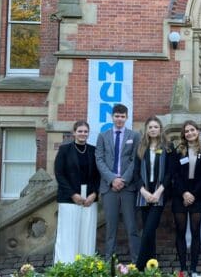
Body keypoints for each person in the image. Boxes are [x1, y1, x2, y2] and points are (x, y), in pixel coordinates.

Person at [95, 104, 141, 262]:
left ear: (127, 117)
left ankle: (136, 262)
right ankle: (110, 262)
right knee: (110, 227)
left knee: (132, 227)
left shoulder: (134, 136)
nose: (119, 119)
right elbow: (99, 159)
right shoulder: (103, 136)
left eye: (122, 116)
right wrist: (112, 179)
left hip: (128, 187)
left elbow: (136, 159)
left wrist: (124, 179)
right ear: (112, 117)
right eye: (117, 116)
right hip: (109, 187)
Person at [53, 120, 100, 263]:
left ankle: (86, 265)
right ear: (74, 133)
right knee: (68, 234)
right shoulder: (64, 150)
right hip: (69, 197)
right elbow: (59, 174)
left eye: (85, 131)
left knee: (87, 234)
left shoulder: (93, 150)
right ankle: (66, 266)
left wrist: (94, 194)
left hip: (90, 198)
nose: (83, 134)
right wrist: (73, 194)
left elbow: (98, 175)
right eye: (80, 131)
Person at [172, 120, 201, 274]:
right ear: (183, 134)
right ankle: (182, 267)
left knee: (196, 232)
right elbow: (175, 174)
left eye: (192, 130)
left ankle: (193, 268)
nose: (189, 133)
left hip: (198, 195)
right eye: (186, 131)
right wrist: (184, 193)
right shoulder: (178, 151)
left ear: (198, 131)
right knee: (180, 231)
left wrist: (193, 194)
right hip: (180, 195)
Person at [134, 116, 173, 269]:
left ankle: (138, 267)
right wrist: (143, 191)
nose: (153, 129)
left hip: (159, 193)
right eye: (150, 127)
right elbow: (136, 172)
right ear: (146, 130)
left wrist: (158, 192)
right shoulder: (140, 147)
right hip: (144, 194)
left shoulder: (168, 147)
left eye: (155, 127)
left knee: (148, 229)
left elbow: (170, 173)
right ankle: (151, 266)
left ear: (160, 129)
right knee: (149, 233)